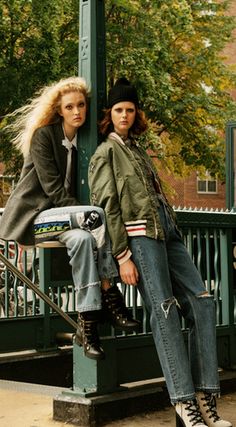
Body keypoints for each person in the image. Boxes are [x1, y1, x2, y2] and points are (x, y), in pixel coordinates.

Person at [88, 78, 232, 427]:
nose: (125, 115)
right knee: (164, 310)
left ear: (136, 113)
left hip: (167, 232)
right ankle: (184, 403)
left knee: (202, 299)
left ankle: (204, 393)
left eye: (130, 109)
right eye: (119, 110)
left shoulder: (137, 148)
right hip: (139, 239)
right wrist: (122, 257)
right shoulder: (105, 153)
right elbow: (106, 208)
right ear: (110, 114)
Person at [0, 76, 140, 361]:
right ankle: (109, 291)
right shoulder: (44, 136)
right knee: (94, 216)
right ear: (59, 110)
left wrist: (82, 221)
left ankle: (87, 327)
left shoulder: (84, 142)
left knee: (81, 240)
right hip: (36, 218)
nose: (77, 112)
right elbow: (52, 188)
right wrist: (84, 215)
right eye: (69, 107)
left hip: (65, 222)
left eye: (81, 106)